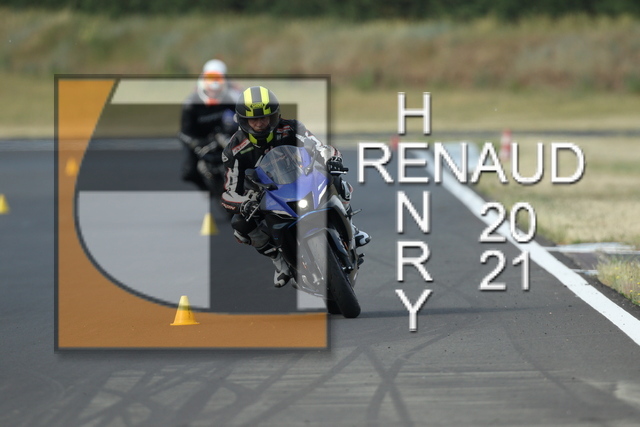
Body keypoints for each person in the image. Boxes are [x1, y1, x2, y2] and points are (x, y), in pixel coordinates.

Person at [221, 86, 371, 287]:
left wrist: (332, 158)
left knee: (335, 179)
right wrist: (244, 204)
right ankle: (279, 260)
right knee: (240, 225)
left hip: (301, 179)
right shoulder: (234, 149)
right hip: (265, 195)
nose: (259, 123)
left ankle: (351, 227)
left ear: (275, 115)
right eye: (253, 119)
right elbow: (229, 191)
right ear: (242, 121)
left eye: (264, 117)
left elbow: (319, 146)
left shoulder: (290, 127)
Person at [178, 59, 240, 191]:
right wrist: (196, 143)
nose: (213, 93)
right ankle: (208, 190)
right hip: (200, 141)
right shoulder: (191, 104)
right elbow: (183, 133)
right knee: (188, 172)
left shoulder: (231, 97)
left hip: (223, 137)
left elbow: (243, 117)